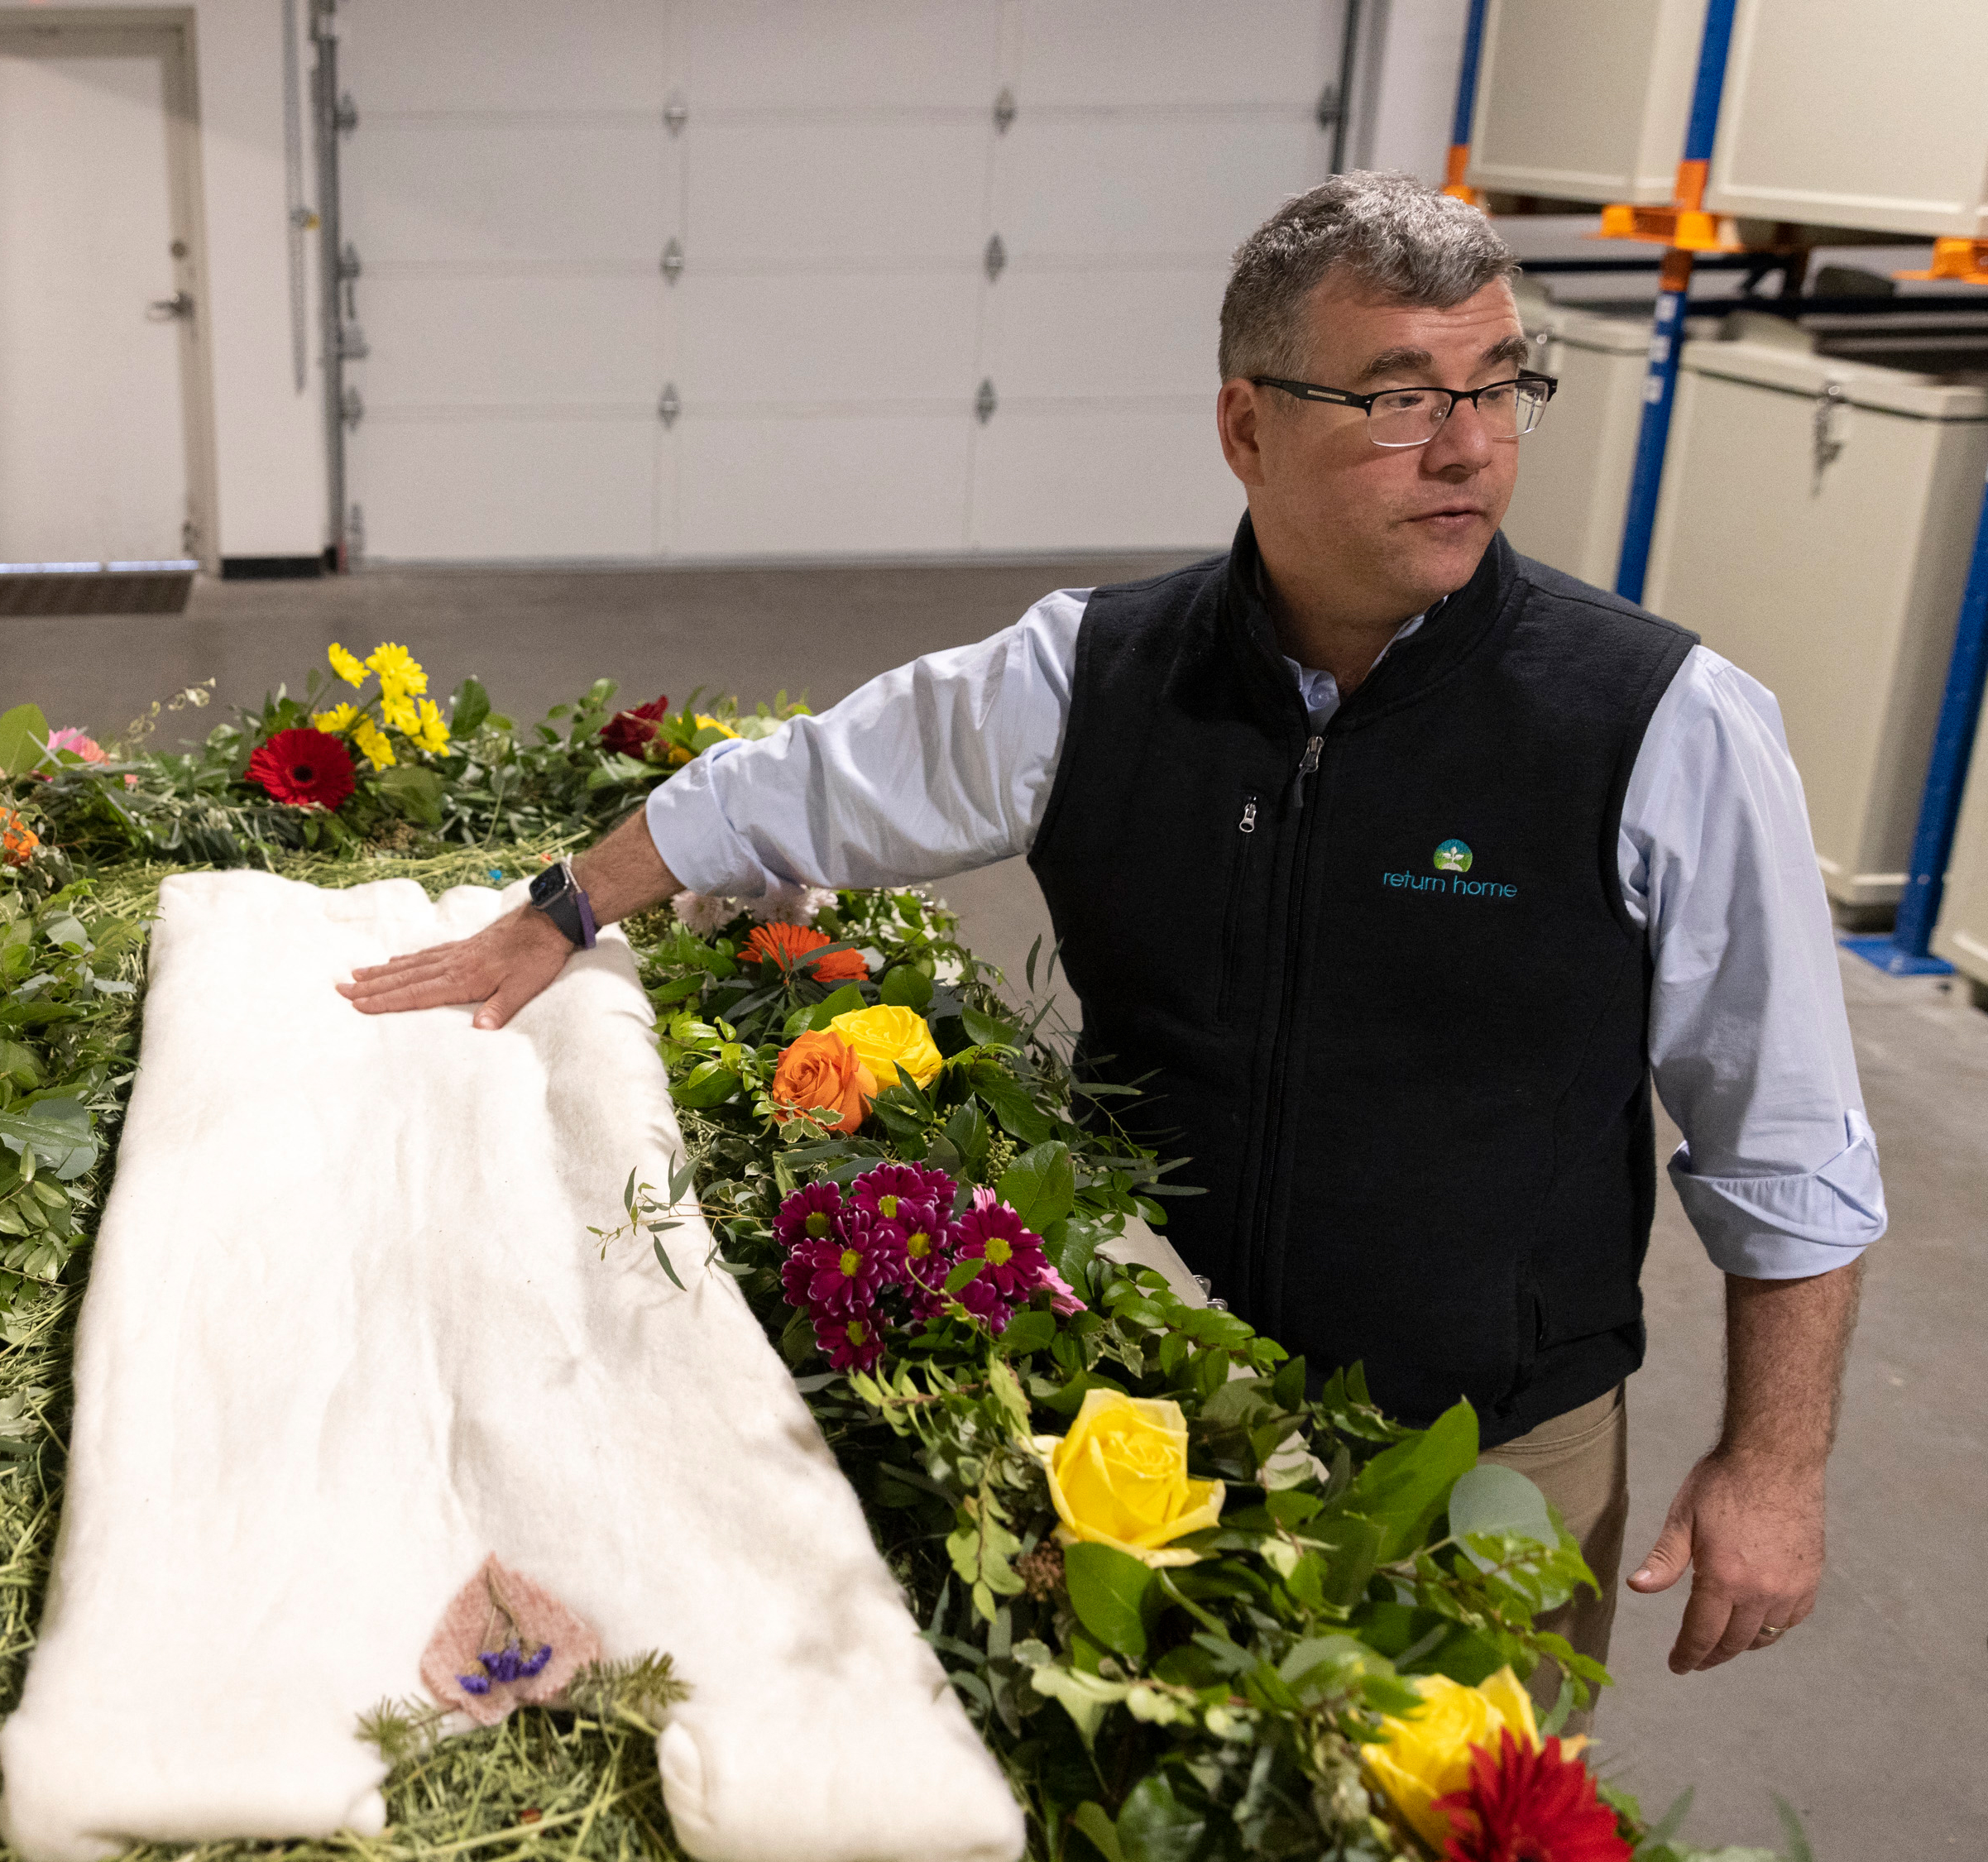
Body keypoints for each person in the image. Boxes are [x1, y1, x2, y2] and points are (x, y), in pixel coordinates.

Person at [339, 171, 1883, 1697]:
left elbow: (1787, 1132)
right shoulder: (1095, 674)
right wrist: (560, 910)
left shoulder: (1656, 724)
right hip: (1141, 1421)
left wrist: (1775, 1464)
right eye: (1402, 398)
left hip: (1489, 1456)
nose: (1469, 447)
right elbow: (798, 783)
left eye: (1501, 387)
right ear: (1246, 427)